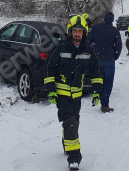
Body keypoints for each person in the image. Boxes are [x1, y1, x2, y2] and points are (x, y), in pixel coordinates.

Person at [43, 15, 103, 171]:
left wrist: (97, 91)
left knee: (74, 123)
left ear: (84, 33)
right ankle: (74, 158)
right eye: (75, 31)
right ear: (70, 32)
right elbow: (49, 68)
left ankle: (67, 143)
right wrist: (50, 90)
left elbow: (96, 71)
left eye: (80, 31)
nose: (77, 34)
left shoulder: (89, 50)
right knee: (70, 123)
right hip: (62, 95)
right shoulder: (60, 47)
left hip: (77, 96)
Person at [87, 12, 122, 112]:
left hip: (97, 59)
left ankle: (95, 96)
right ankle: (104, 104)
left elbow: (88, 41)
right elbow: (119, 46)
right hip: (109, 60)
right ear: (112, 20)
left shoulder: (96, 28)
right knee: (108, 82)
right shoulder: (114, 31)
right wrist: (115, 56)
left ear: (104, 18)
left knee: (96, 79)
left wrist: (92, 53)